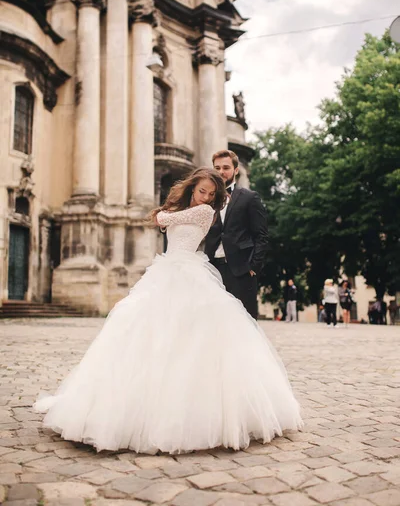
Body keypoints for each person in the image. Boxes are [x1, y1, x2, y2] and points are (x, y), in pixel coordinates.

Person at [34, 167, 302, 454]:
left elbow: (163, 218)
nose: (206, 197)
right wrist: (166, 214)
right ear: (192, 188)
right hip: (166, 269)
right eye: (202, 191)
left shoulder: (203, 213)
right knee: (143, 329)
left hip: (188, 271)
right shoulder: (187, 207)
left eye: (211, 194)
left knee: (193, 335)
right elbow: (163, 219)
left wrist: (166, 214)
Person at [205, 150, 268, 320]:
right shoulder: (206, 200)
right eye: (217, 167)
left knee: (244, 322)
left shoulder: (249, 197)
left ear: (236, 170)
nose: (221, 172)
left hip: (241, 271)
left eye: (226, 167)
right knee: (216, 322)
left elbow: (261, 235)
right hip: (213, 270)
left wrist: (253, 267)